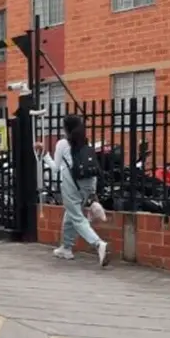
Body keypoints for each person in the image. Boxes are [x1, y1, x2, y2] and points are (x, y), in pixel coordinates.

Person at [36, 114, 110, 266]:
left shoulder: (62, 144)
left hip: (71, 185)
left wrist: (45, 155)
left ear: (66, 128)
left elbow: (56, 168)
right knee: (70, 215)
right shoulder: (84, 142)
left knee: (76, 218)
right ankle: (66, 248)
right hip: (88, 184)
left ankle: (98, 244)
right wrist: (92, 192)